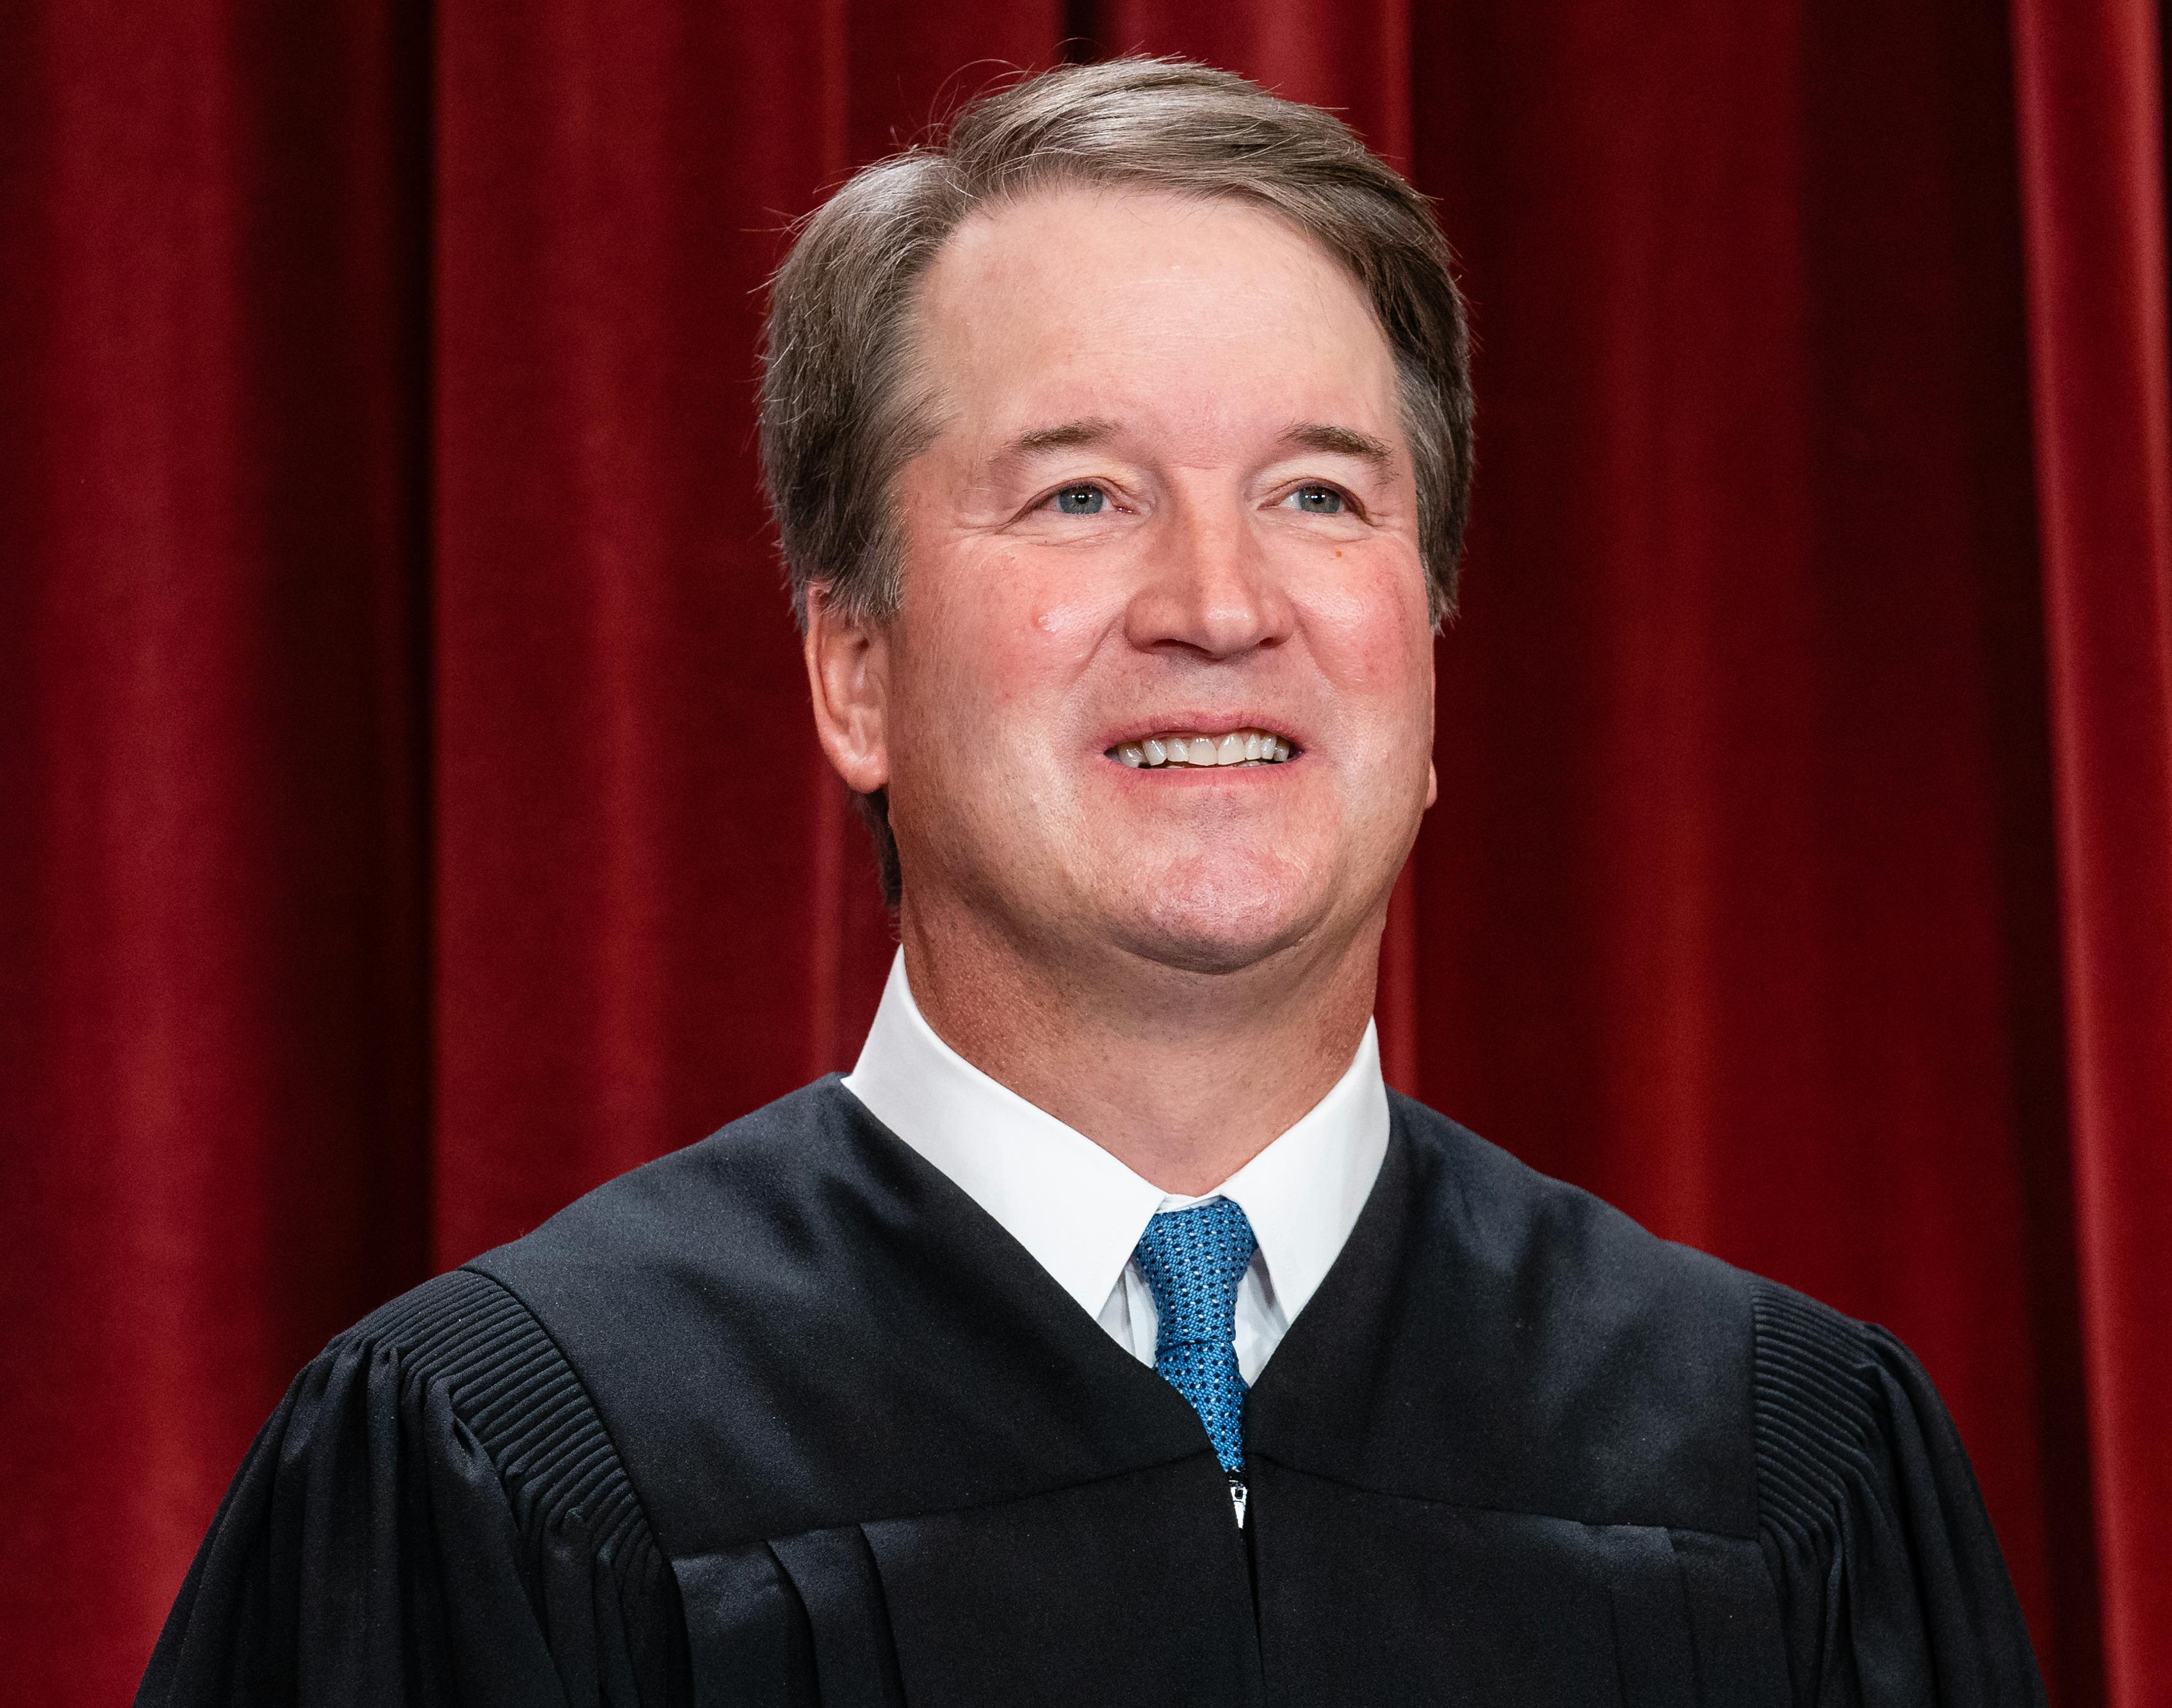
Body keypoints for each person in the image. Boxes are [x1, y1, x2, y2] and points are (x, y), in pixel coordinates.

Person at [138, 57, 2043, 1706]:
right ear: (852, 669)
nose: (1219, 608)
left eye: (1319, 494)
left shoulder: (1779, 1472)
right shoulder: (505, 1468)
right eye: (1081, 495)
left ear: (1434, 647)